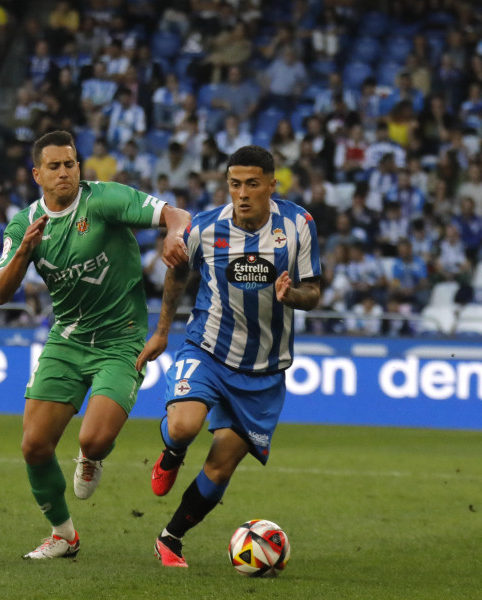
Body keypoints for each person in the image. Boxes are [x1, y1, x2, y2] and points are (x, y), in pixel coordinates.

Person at [0, 130, 190, 560]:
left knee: (94, 440)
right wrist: (24, 252)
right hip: (68, 339)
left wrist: (174, 235)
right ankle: (63, 534)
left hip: (122, 340)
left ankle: (91, 456)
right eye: (55, 166)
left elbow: (177, 215)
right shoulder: (24, 224)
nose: (65, 172)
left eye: (71, 163)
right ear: (37, 174)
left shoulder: (103, 199)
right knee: (34, 446)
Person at [135, 145, 322, 568]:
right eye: (235, 184)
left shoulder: (298, 225)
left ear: (272, 185)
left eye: (252, 184)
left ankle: (171, 539)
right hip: (208, 349)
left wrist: (292, 294)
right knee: (183, 427)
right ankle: (172, 451)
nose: (242, 193)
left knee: (220, 467)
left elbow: (313, 291)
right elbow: (178, 272)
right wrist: (162, 331)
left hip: (264, 371)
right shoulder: (206, 228)